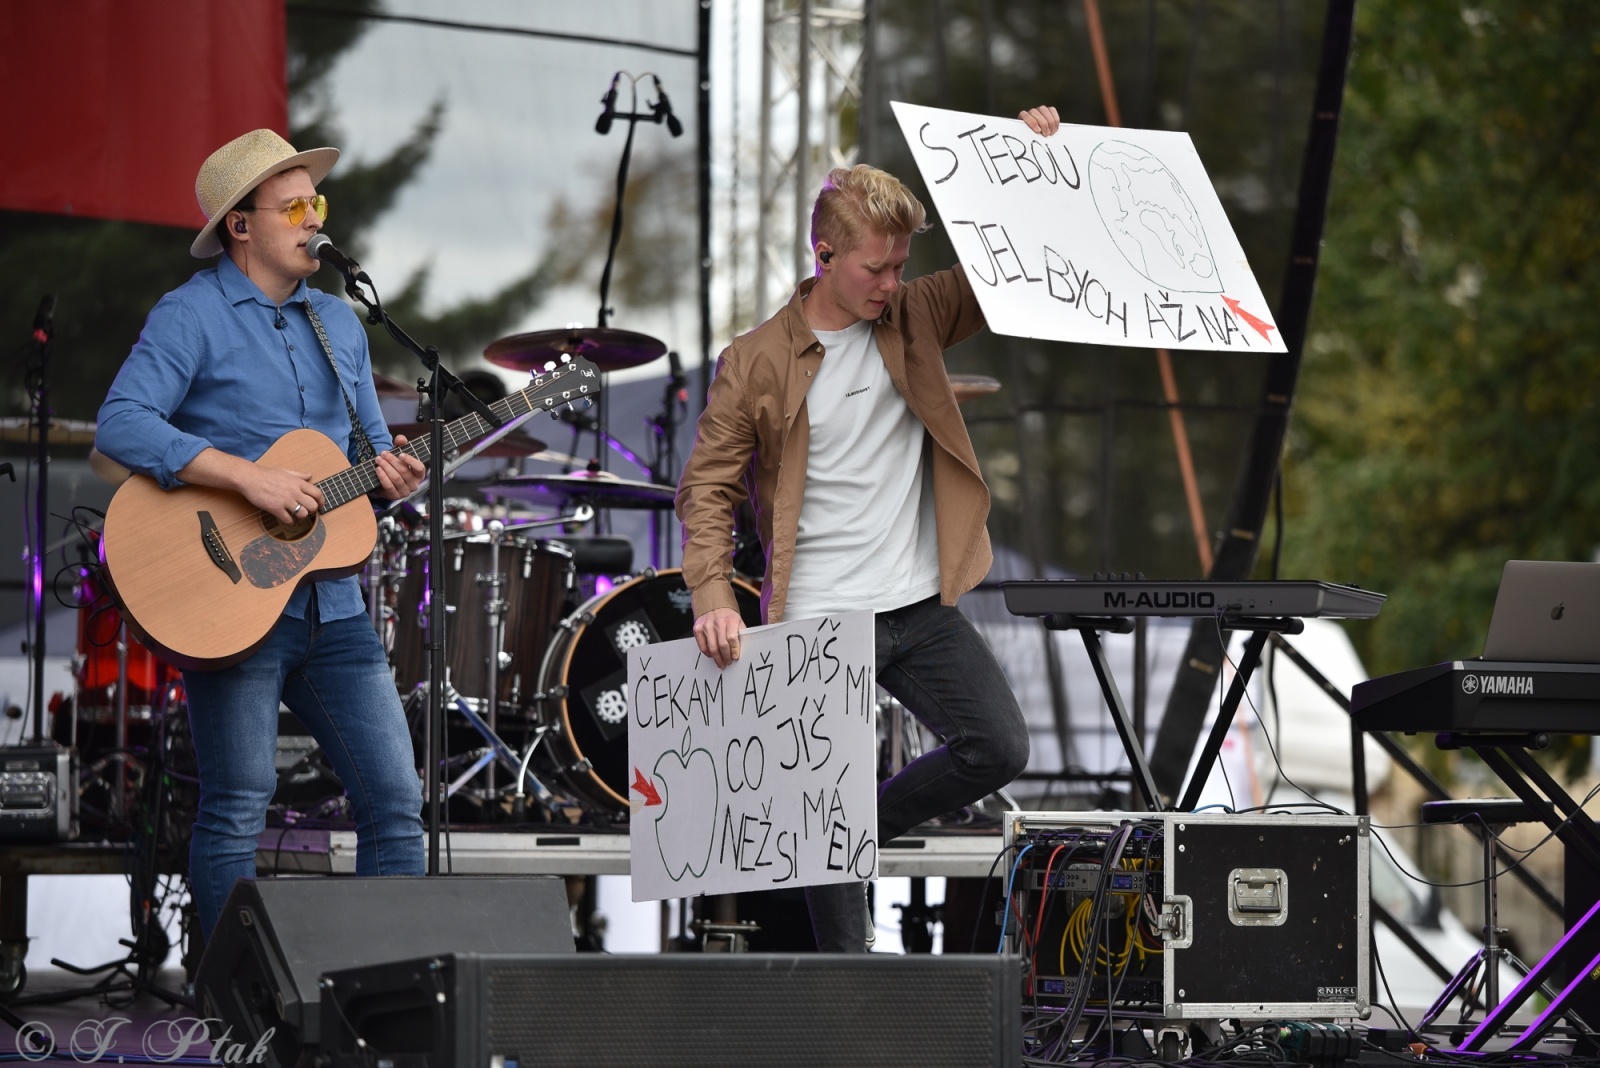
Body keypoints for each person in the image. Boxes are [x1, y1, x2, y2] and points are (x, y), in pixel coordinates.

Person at [677, 106, 1062, 951]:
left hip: (917, 605)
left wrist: (1027, 164)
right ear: (825, 257)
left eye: (901, 266)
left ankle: (844, 825)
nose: (892, 282)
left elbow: (1011, 265)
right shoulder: (757, 360)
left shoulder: (919, 313)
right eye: (876, 268)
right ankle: (844, 980)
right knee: (843, 930)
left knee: (998, 746)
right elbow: (704, 489)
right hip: (814, 618)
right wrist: (713, 594)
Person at [96, 129, 426, 940]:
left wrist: (391, 480)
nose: (316, 218)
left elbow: (363, 465)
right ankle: (229, 1014)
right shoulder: (191, 314)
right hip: (231, 597)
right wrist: (246, 476)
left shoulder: (342, 324)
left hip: (335, 608)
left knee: (397, 806)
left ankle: (377, 1008)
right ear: (240, 226)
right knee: (238, 806)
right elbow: (121, 424)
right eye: (296, 206)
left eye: (318, 202)